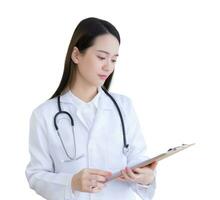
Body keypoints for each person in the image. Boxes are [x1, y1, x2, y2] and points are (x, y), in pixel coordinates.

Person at [25, 17, 157, 200]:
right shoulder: (44, 115)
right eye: (101, 57)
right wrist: (71, 182)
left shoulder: (123, 107)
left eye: (114, 60)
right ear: (76, 55)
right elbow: (36, 176)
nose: (108, 67)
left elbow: (137, 159)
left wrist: (146, 178)